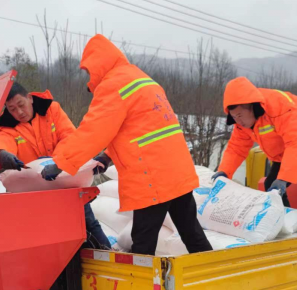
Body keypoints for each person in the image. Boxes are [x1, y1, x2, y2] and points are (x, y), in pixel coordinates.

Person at [40, 34, 211, 256]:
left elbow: (92, 132)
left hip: (152, 177)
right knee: (192, 234)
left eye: (88, 72)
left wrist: (60, 163)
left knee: (143, 244)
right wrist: (107, 156)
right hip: (176, 172)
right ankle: (218, 281)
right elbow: (137, 130)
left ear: (97, 63)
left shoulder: (113, 85)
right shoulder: (141, 78)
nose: (88, 77)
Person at [0, 82, 110, 249]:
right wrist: (1, 153)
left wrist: (57, 163)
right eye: (12, 109)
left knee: (87, 222)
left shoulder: (52, 110)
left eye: (21, 105)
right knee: (48, 235)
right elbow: (2, 141)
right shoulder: (7, 126)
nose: (19, 112)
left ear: (29, 98)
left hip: (66, 182)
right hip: (36, 194)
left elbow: (68, 136)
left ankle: (106, 252)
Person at [213, 77, 297, 235]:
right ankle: (285, 219)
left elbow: (296, 141)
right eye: (234, 117)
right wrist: (224, 173)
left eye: (240, 115)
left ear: (251, 106)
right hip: (289, 144)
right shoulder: (243, 124)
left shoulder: (279, 107)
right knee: (272, 183)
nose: (238, 121)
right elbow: (236, 149)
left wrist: (284, 178)